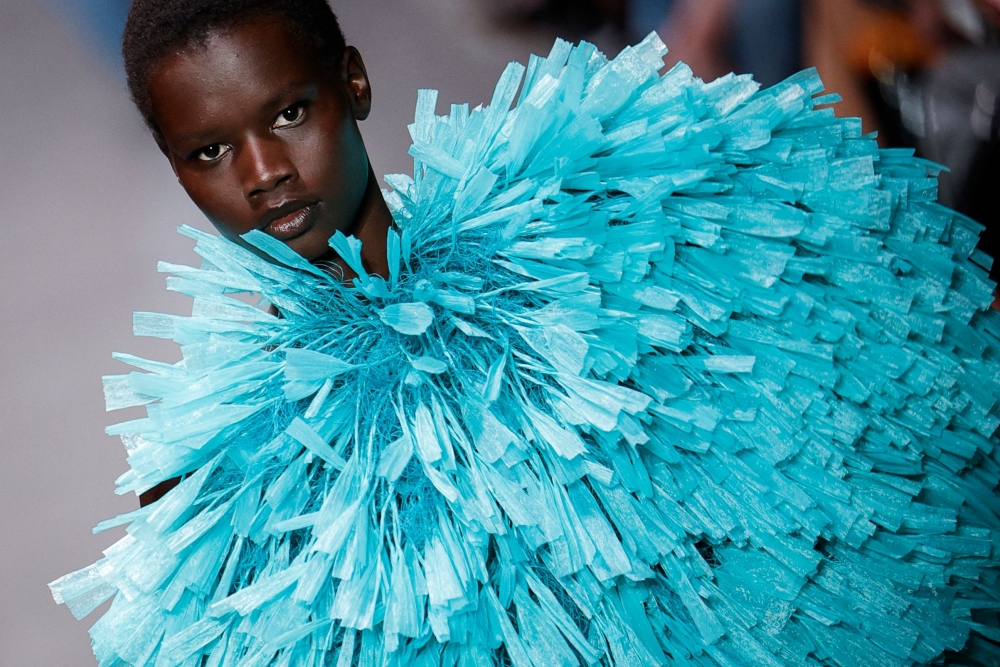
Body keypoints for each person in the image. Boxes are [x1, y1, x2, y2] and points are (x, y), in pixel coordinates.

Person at [51, 0, 1000, 665]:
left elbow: (856, 361)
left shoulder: (587, 218)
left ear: (355, 84)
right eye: (209, 150)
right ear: (174, 168)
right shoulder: (225, 481)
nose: (261, 172)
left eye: (289, 112)